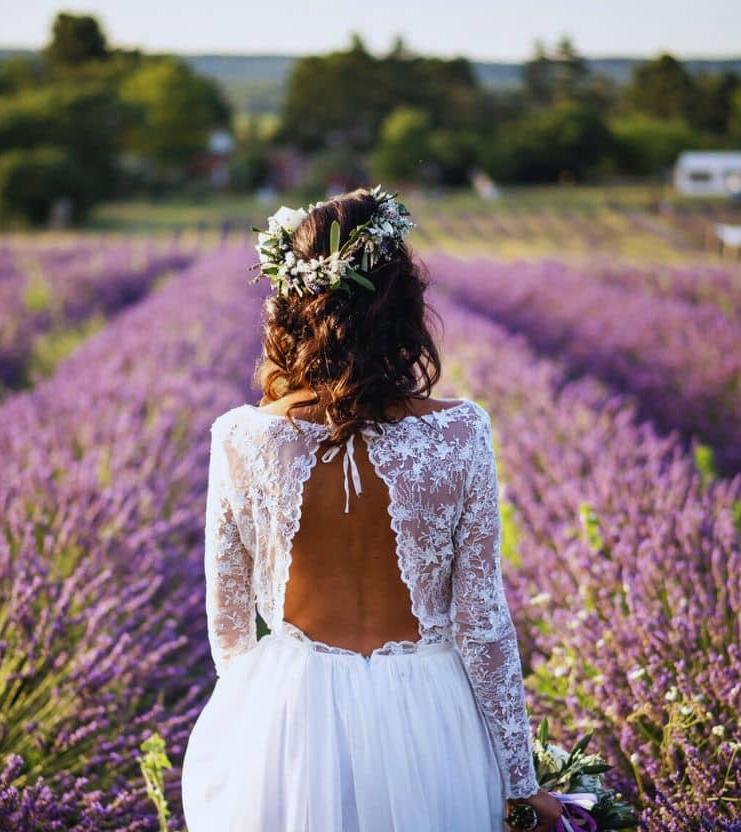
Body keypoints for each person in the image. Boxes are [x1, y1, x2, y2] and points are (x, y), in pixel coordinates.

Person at [180, 187, 565, 831]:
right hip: (430, 718)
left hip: (289, 719)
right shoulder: (460, 433)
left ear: (292, 304)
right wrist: (521, 781)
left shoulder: (241, 437)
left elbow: (228, 623)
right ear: (403, 307)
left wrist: (248, 731)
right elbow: (483, 622)